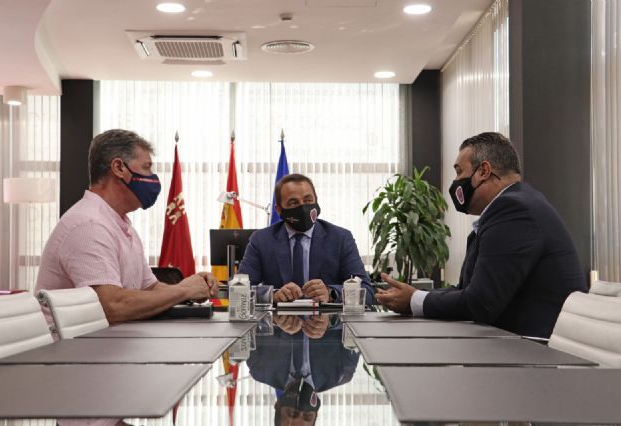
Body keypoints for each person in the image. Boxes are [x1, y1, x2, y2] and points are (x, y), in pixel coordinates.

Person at [376, 132, 587, 338]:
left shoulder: (514, 210)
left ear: (483, 171)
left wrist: (414, 300)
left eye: (459, 172)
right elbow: (466, 291)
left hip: (534, 354)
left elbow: (481, 303)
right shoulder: (515, 205)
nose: (456, 181)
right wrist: (415, 295)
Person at [36, 129, 217, 324]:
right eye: (147, 167)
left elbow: (150, 288)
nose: (153, 177)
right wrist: (183, 290)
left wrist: (190, 289)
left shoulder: (120, 224)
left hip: (105, 346)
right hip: (71, 351)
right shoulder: (88, 225)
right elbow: (112, 306)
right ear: (119, 168)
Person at [238, 173, 373, 304]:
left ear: (316, 202)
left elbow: (366, 292)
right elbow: (239, 291)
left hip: (328, 323)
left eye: (308, 201)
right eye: (293, 203)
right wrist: (273, 295)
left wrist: (331, 293)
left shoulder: (340, 238)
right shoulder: (262, 240)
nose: (303, 207)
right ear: (279, 210)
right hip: (279, 323)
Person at [247, 314, 360, 426]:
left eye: (292, 413)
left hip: (279, 299)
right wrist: (330, 319)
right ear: (315, 415)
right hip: (325, 299)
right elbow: (357, 319)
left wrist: (272, 318)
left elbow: (245, 320)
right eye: (307, 416)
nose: (301, 404)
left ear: (277, 404)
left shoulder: (259, 369)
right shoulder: (341, 373)